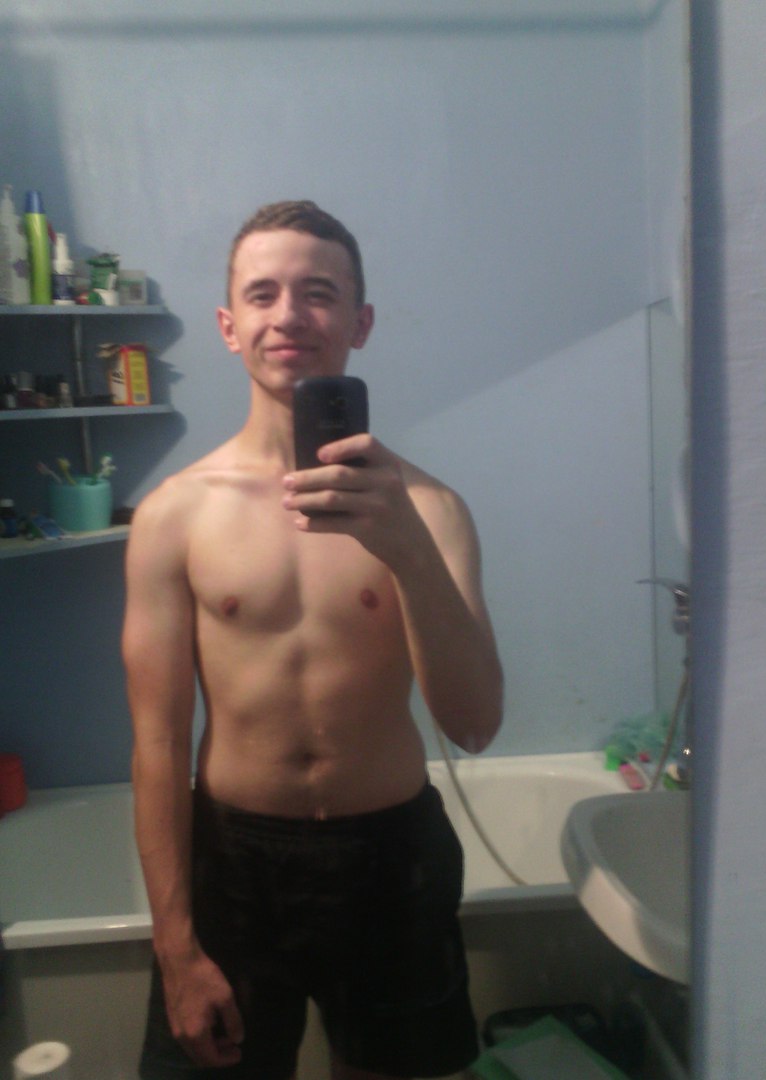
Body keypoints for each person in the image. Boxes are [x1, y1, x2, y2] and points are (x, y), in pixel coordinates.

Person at [123, 200, 503, 1080]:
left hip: (391, 863)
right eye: (263, 294)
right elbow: (157, 743)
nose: (289, 315)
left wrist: (407, 550)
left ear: (359, 323)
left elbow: (475, 723)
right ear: (229, 326)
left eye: (319, 293)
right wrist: (175, 947)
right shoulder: (175, 515)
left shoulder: (430, 511)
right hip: (232, 868)